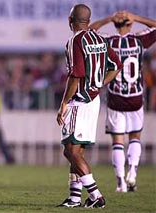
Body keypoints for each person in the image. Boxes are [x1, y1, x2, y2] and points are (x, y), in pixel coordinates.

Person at [56, 4, 122, 208]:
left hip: (80, 100)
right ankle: (75, 198)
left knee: (70, 152)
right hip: (94, 99)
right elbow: (117, 64)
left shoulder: (75, 41)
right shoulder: (99, 39)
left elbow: (76, 75)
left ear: (70, 21)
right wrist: (101, 83)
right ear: (88, 20)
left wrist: (64, 103)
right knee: (76, 150)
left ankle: (96, 196)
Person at [89, 11, 156, 193]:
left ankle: (121, 182)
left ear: (115, 25)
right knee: (135, 137)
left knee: (117, 141)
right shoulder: (138, 41)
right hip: (135, 97)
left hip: (115, 97)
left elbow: (88, 31)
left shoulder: (109, 41)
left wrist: (108, 19)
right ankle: (132, 172)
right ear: (131, 24)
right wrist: (138, 17)